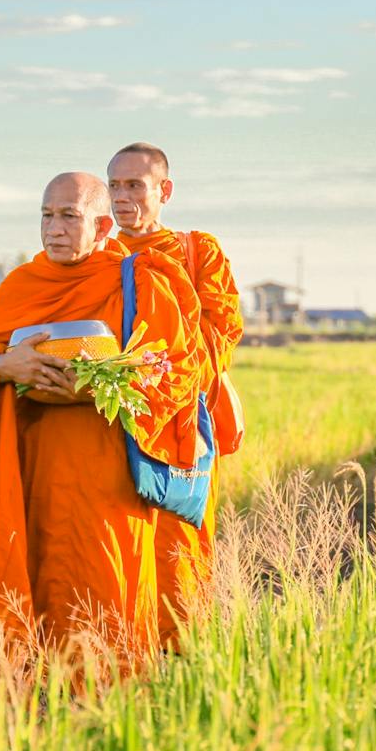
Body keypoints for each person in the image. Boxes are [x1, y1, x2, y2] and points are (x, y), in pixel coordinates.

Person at [0, 171, 205, 671]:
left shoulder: (142, 280)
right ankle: (31, 690)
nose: (53, 229)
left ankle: (111, 700)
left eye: (68, 217)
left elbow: (175, 370)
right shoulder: (22, 284)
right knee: (33, 575)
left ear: (103, 226)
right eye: (46, 215)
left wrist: (98, 386)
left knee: (104, 579)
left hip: (108, 474)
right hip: (31, 468)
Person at [107, 142, 244, 639]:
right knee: (118, 546)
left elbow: (220, 335)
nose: (123, 197)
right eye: (115, 186)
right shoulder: (97, 253)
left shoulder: (195, 251)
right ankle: (121, 653)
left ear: (164, 190)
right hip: (106, 427)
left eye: (135, 185)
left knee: (179, 546)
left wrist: (152, 379)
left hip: (181, 427)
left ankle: (182, 655)